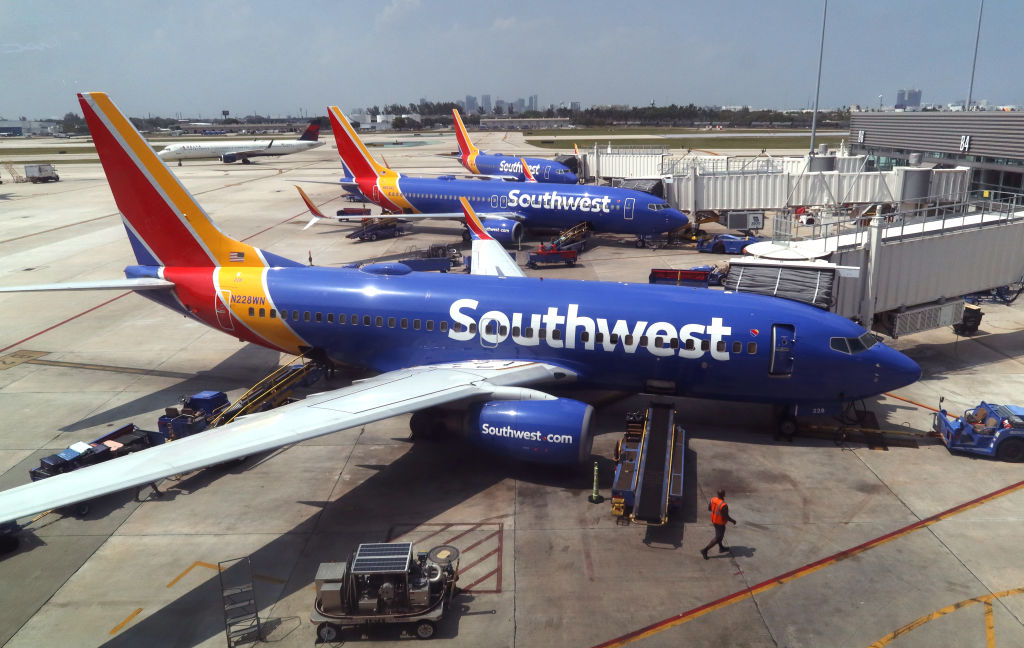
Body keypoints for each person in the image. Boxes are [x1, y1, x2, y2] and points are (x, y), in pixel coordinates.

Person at [700, 489, 736, 559]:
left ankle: (721, 548)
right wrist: (733, 521)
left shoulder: (713, 499)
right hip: (720, 523)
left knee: (720, 535)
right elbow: (726, 517)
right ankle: (705, 550)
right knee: (718, 537)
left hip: (714, 520)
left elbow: (709, 508)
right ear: (723, 495)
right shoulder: (724, 505)